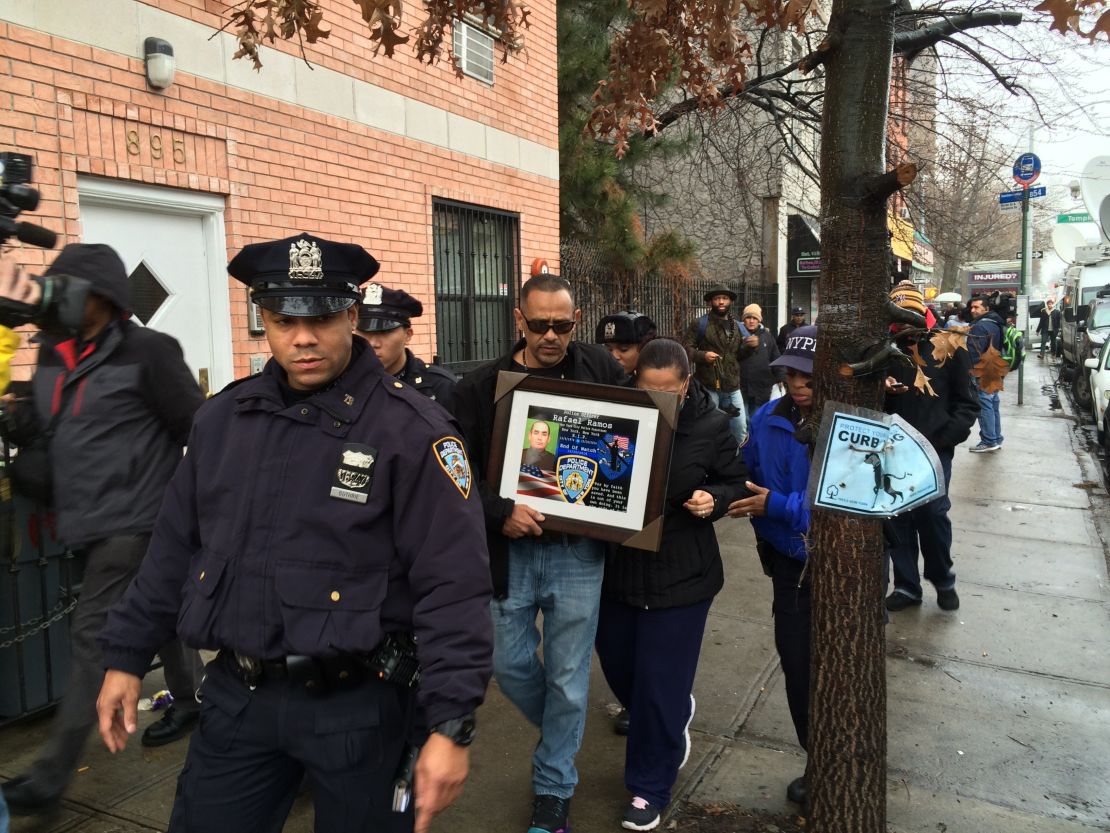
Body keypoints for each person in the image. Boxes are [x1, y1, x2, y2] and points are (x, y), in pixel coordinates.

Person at [94, 233, 493, 833]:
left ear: (352, 316)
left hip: (360, 708)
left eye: (323, 318)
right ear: (263, 320)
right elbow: (174, 548)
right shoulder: (223, 420)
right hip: (239, 697)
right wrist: (126, 655)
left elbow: (454, 585)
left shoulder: (412, 431)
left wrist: (451, 724)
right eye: (283, 320)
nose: (303, 337)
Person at [0, 246, 205, 817]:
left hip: (138, 520)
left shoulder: (149, 352)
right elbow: (53, 425)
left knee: (96, 640)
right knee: (159, 611)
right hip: (82, 521)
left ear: (103, 296)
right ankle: (191, 701)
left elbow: (200, 427)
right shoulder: (50, 354)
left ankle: (49, 778)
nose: (56, 294)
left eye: (68, 286)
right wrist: (23, 420)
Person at [451, 273, 624, 833]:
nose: (553, 336)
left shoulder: (598, 368)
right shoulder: (480, 387)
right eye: (541, 324)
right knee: (511, 665)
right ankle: (560, 737)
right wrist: (501, 512)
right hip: (510, 554)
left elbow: (642, 428)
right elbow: (457, 474)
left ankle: (554, 785)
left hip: (578, 553)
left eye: (564, 325)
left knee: (570, 677)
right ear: (519, 320)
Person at [594, 339, 749, 831]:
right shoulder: (612, 412)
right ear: (634, 378)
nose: (657, 400)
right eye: (647, 389)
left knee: (659, 683)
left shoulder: (712, 424)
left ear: (685, 384)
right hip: (618, 569)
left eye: (668, 392)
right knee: (623, 672)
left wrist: (715, 498)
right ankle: (673, 715)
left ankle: (648, 786)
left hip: (683, 573)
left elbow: (736, 481)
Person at [726, 325, 817, 807]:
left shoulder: (851, 423)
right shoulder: (765, 418)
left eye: (808, 375)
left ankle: (839, 757)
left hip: (843, 570)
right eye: (790, 374)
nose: (798, 384)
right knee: (798, 665)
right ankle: (815, 758)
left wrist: (777, 506)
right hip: (788, 567)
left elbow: (845, 512)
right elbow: (745, 477)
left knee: (837, 670)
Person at [884, 283, 979, 612]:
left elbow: (968, 402)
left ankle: (943, 578)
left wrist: (945, 438)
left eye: (908, 316)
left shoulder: (949, 344)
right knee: (897, 516)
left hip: (934, 447)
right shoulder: (885, 346)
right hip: (892, 449)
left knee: (933, 513)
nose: (902, 325)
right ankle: (907, 586)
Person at [356, 282, 457, 408]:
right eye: (365, 332)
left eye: (384, 332)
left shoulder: (440, 387)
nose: (373, 343)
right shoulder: (345, 381)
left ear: (408, 335)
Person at [681, 284, 746, 445]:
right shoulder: (700, 324)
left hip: (732, 386)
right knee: (709, 429)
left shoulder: (738, 326)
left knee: (740, 429)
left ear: (730, 301)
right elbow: (686, 348)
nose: (721, 302)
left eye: (724, 298)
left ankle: (735, 460)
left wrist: (750, 347)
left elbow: (740, 355)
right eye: (717, 299)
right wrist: (703, 355)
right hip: (709, 386)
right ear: (711, 302)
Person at [967, 294, 1007, 453]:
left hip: (982, 372)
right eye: (972, 307)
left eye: (977, 307)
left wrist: (972, 372)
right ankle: (995, 438)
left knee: (984, 406)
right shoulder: (996, 323)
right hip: (995, 369)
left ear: (986, 309)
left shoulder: (979, 327)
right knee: (993, 404)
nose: (973, 310)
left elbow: (974, 353)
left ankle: (989, 440)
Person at [737, 303, 785, 421]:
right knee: (744, 421)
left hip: (762, 387)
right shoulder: (736, 335)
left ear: (759, 320)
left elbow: (776, 358)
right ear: (744, 319)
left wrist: (781, 377)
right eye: (748, 318)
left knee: (758, 419)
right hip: (741, 387)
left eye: (755, 318)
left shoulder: (767, 336)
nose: (751, 321)